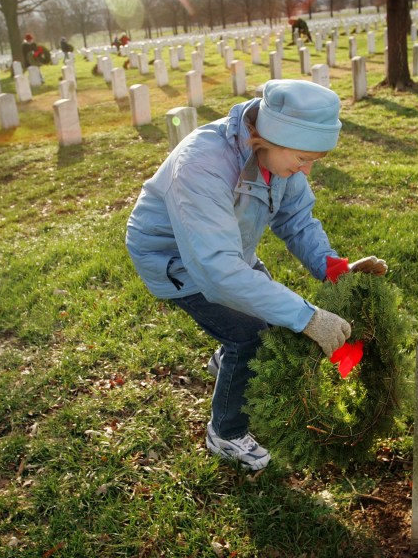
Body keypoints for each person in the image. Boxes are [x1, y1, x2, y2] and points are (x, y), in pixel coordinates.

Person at [126, 79, 388, 471]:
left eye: (313, 159)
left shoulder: (276, 155)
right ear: (271, 137)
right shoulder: (203, 164)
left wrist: (334, 268)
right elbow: (217, 272)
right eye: (302, 158)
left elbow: (297, 219)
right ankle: (226, 432)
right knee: (250, 334)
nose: (307, 169)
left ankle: (225, 364)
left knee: (264, 316)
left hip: (228, 251)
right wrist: (309, 317)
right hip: (178, 260)